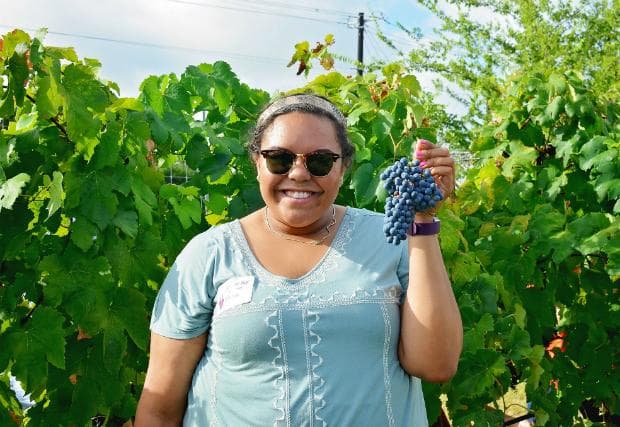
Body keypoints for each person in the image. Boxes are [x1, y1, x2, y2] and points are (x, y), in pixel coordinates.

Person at [135, 93, 463, 426]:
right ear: (257, 163)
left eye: (320, 161)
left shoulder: (391, 239)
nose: (299, 173)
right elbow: (159, 409)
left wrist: (421, 222)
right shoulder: (209, 254)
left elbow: (435, 364)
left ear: (343, 166)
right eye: (280, 159)